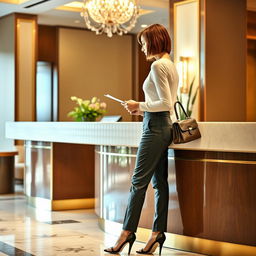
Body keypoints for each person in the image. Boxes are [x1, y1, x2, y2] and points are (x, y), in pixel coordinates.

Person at [104, 23, 179, 255]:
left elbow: (165, 104)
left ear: (155, 41)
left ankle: (127, 232)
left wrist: (140, 105)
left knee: (138, 183)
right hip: (161, 125)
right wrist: (142, 109)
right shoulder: (170, 65)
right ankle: (157, 234)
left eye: (144, 42)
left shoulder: (158, 66)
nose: (143, 47)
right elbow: (165, 103)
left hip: (155, 128)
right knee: (159, 184)